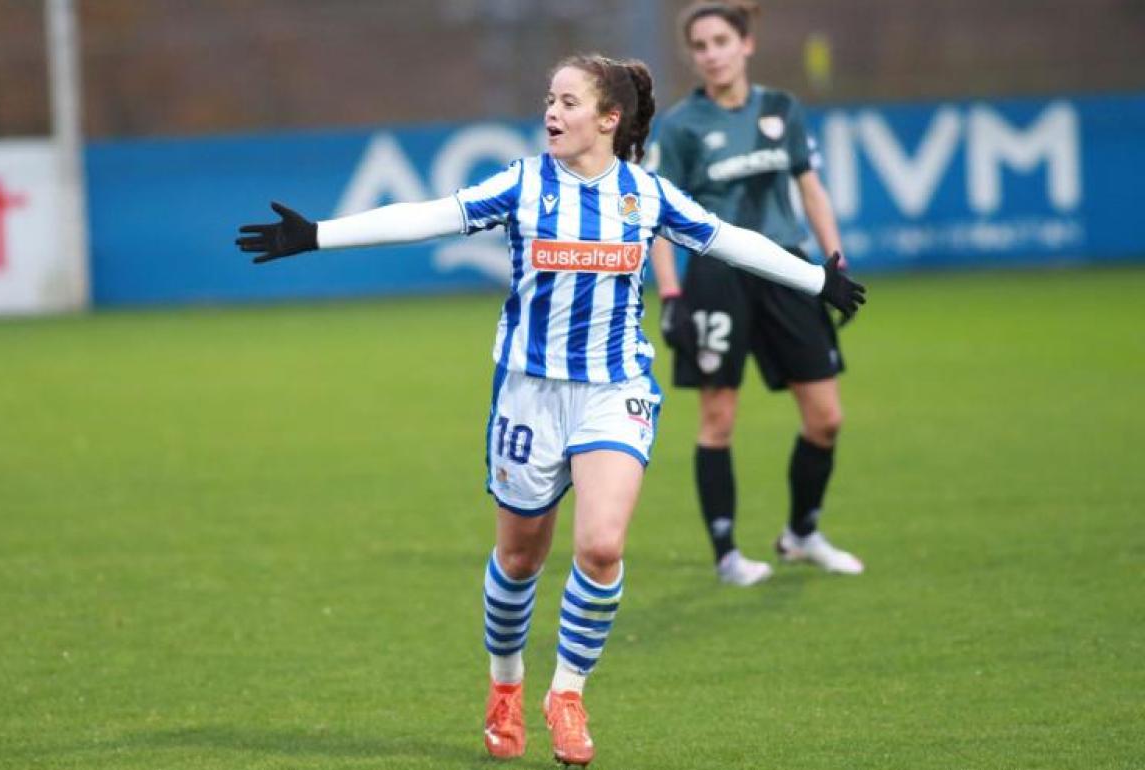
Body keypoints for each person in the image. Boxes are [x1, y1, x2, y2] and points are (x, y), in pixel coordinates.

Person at [236, 53, 864, 767]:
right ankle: (505, 686)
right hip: (530, 393)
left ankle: (567, 695)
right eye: (548, 99)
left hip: (613, 389)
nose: (552, 113)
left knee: (601, 546)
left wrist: (818, 279)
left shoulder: (646, 195)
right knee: (520, 554)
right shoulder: (525, 184)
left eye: (568, 101)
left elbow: (729, 239)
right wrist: (318, 234)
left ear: (609, 118)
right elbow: (431, 216)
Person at [651, 0, 865, 588]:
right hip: (717, 275)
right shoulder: (680, 125)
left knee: (826, 418)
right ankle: (726, 554)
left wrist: (833, 266)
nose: (711, 53)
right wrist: (670, 295)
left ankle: (801, 533)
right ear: (691, 55)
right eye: (700, 45)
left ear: (745, 44)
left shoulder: (781, 109)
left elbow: (811, 189)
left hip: (788, 269)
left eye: (721, 40)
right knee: (718, 417)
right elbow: (658, 215)